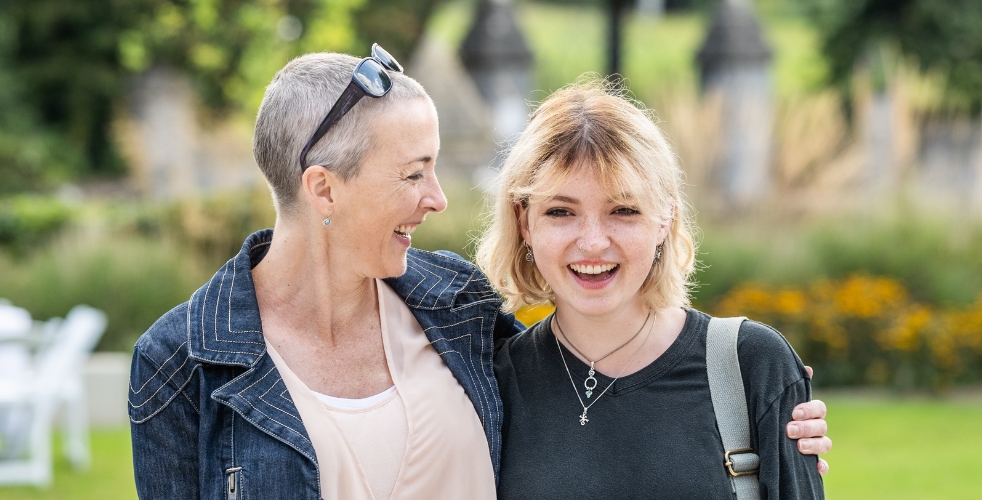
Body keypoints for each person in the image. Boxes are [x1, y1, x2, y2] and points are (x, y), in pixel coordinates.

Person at [128, 47, 830, 499]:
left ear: (666, 217)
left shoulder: (457, 311)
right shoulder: (179, 365)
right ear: (323, 189)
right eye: (413, 173)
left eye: (622, 209)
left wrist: (774, 433)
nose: (437, 198)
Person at [478, 78, 828, 498]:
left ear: (664, 218)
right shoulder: (489, 384)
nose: (592, 241)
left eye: (623, 210)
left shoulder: (750, 366)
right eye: (560, 211)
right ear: (524, 222)